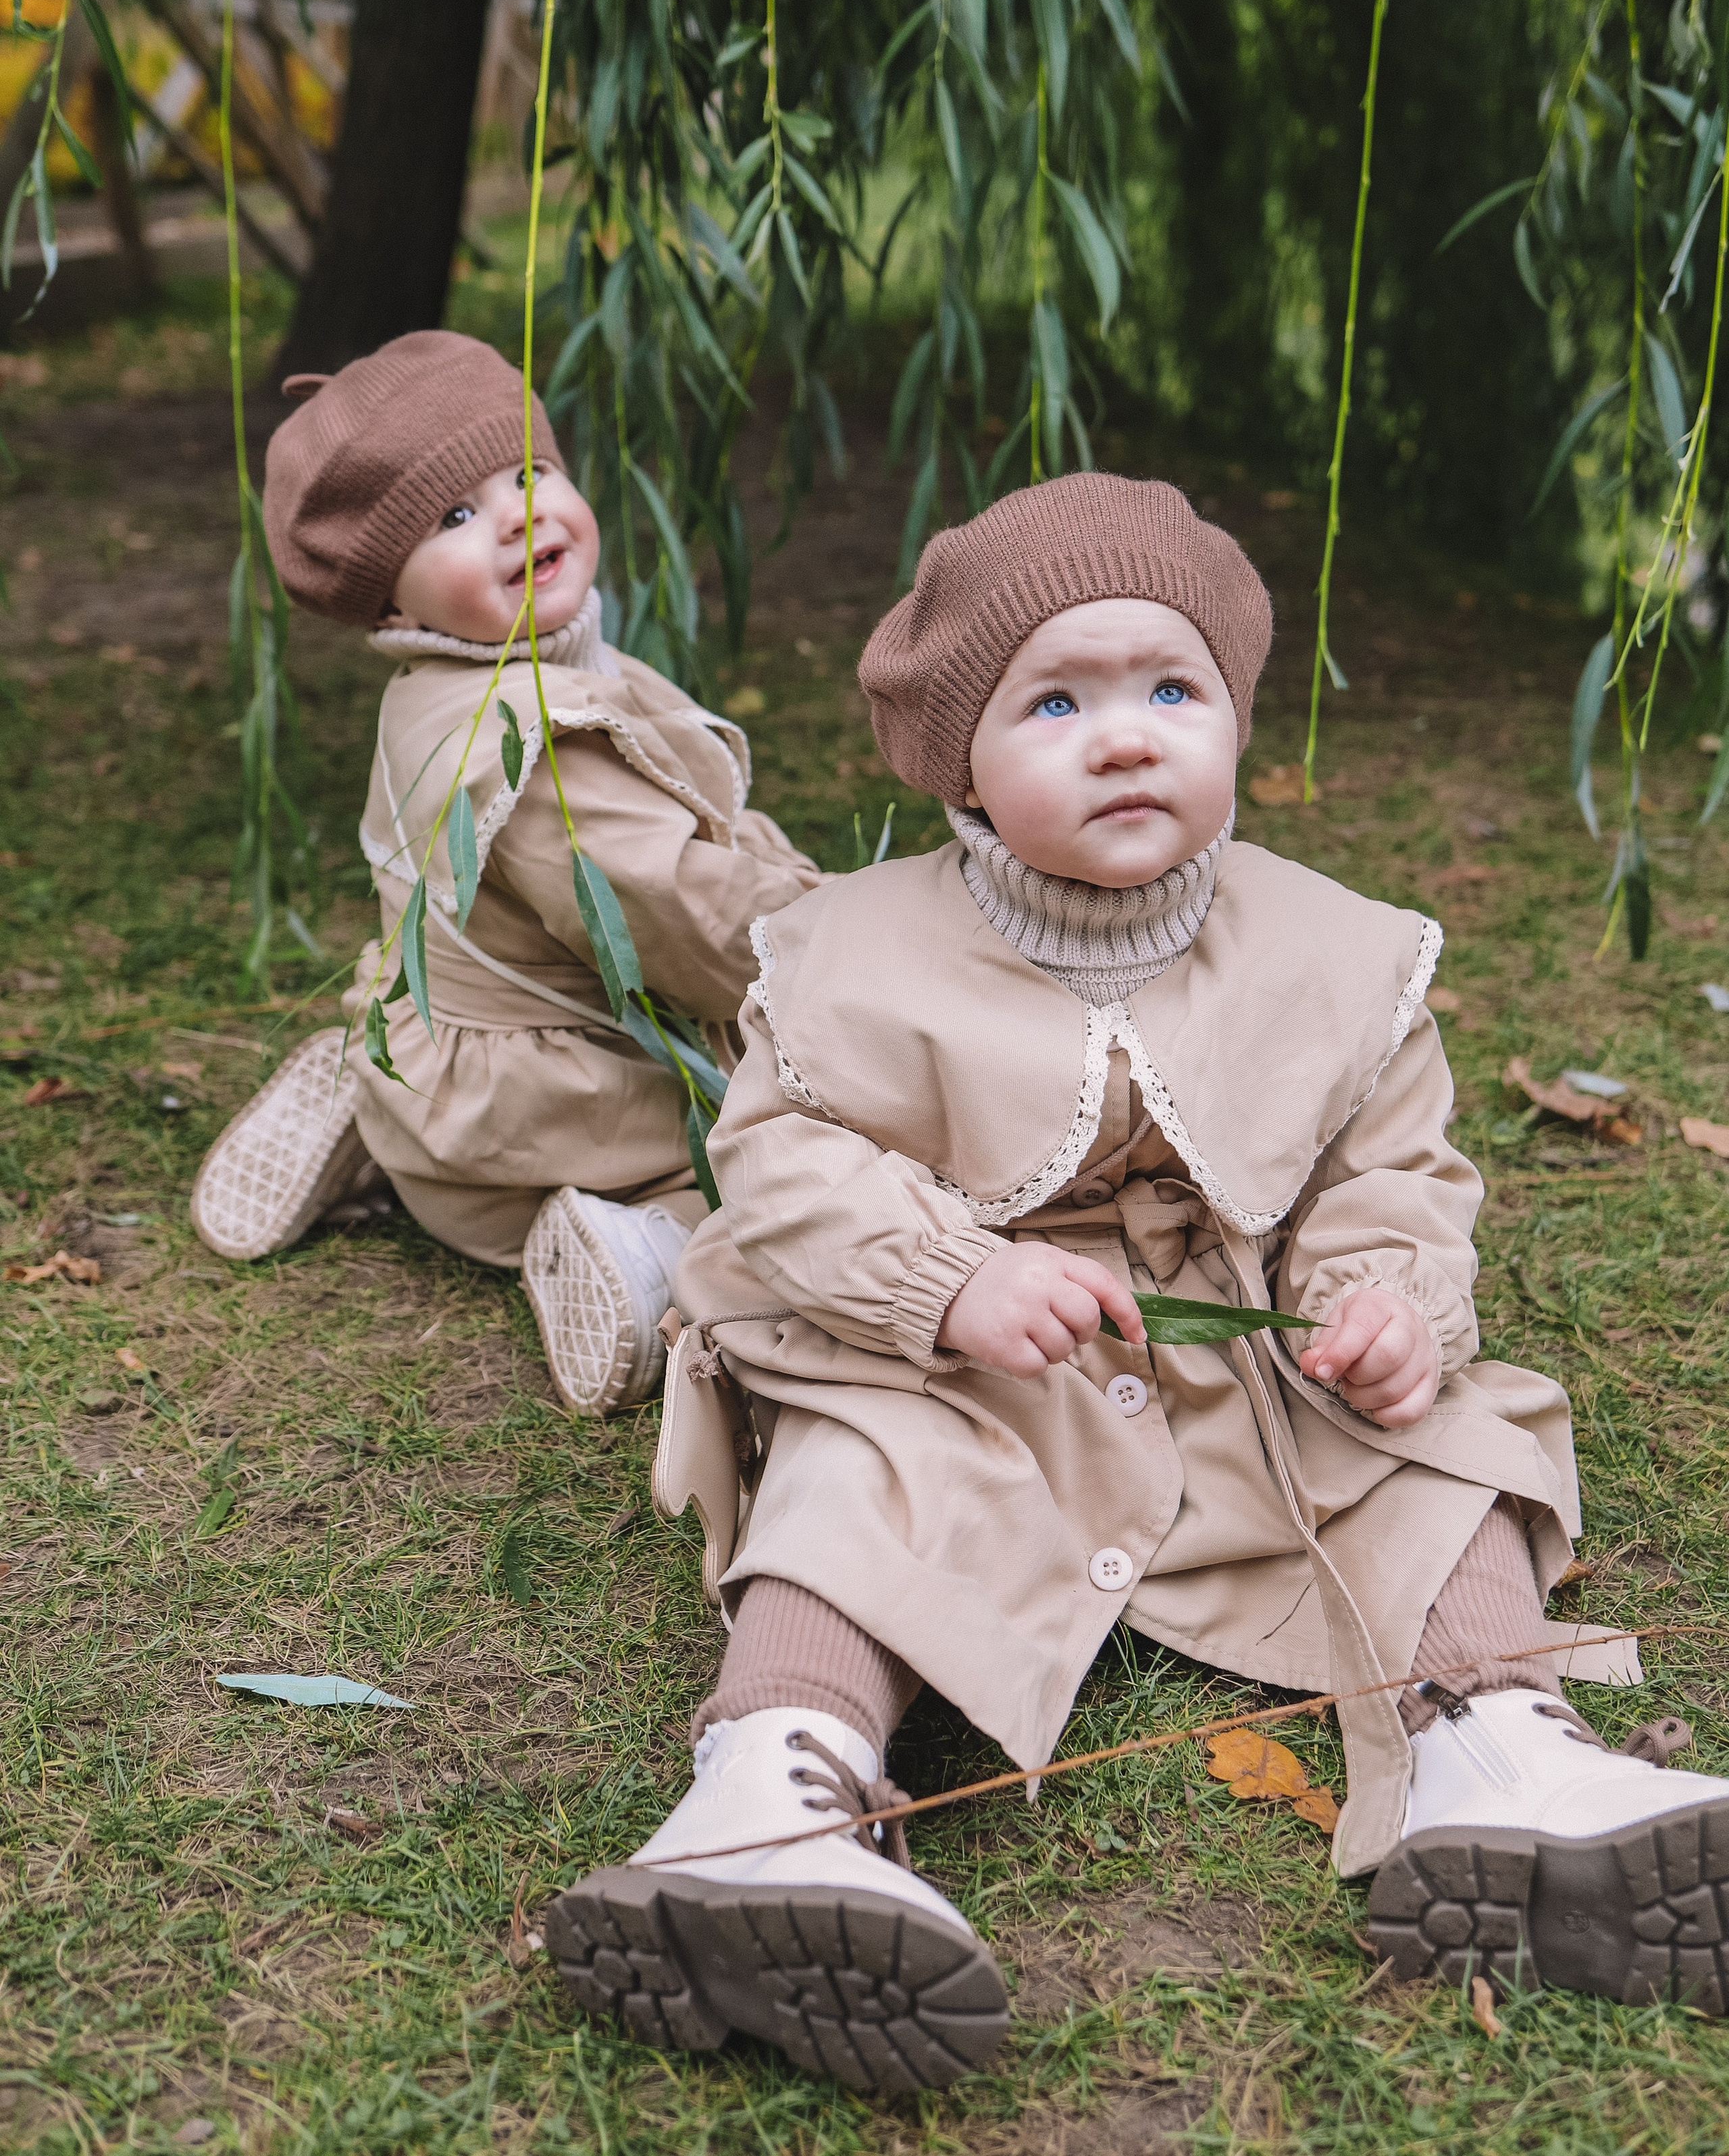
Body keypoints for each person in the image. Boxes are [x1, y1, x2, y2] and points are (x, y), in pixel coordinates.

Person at [545, 473, 1729, 2094]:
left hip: (1252, 1366)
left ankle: (1496, 1747)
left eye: (1170, 690)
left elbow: (1390, 1165)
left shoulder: (1333, 950)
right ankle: (772, 1789)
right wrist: (945, 1277)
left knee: (1440, 1453)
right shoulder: (848, 951)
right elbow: (786, 1160)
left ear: (1232, 718)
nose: (1123, 736)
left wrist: (1381, 1298)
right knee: (867, 1473)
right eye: (1056, 700)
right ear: (955, 753)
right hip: (967, 1363)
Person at [190, 331, 821, 1414]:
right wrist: (837, 946)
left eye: (528, 475)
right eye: (454, 517)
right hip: (543, 1129)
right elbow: (684, 919)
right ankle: (645, 1260)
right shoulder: (533, 746)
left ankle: (374, 1116)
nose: (520, 515)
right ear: (391, 602)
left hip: (441, 1084)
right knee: (793, 1173)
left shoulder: (451, 682)